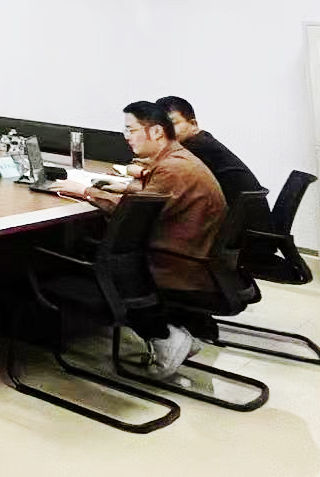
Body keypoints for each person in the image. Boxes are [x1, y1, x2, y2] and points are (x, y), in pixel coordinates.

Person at [63, 100, 226, 377]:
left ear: (157, 132)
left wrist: (85, 191)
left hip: (177, 264)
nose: (126, 137)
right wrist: (127, 188)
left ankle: (164, 337)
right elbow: (155, 195)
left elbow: (132, 214)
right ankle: (172, 335)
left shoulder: (174, 169)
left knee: (98, 252)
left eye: (131, 129)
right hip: (195, 256)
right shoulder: (177, 160)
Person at [157, 94, 275, 259]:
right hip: (250, 230)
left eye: (173, 124)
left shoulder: (198, 147)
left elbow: (162, 175)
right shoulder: (203, 140)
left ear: (193, 123)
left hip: (241, 236)